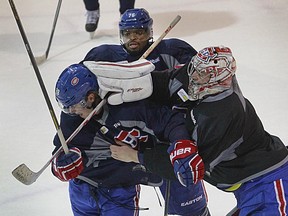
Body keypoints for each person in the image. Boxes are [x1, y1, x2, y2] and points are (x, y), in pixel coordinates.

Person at [95, 46, 288, 215]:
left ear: (218, 78)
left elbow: (185, 166)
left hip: (268, 183)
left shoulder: (224, 113)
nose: (193, 76)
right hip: (248, 184)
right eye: (194, 69)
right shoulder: (203, 82)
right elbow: (169, 82)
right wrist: (136, 81)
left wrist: (136, 156)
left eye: (201, 74)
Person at [81, 8, 211, 216]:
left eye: (139, 32)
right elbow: (82, 91)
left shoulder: (173, 51)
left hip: (167, 138)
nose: (133, 38)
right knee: (118, 199)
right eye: (127, 33)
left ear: (150, 32)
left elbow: (199, 82)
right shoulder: (104, 56)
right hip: (125, 141)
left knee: (190, 207)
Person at [51, 62, 202, 216]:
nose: (72, 112)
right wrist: (61, 164)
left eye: (74, 107)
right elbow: (60, 151)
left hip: (119, 189)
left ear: (90, 98)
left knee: (190, 209)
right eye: (67, 109)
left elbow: (170, 122)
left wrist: (181, 142)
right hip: (82, 187)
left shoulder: (130, 107)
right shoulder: (72, 117)